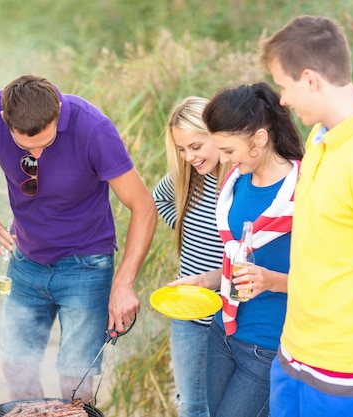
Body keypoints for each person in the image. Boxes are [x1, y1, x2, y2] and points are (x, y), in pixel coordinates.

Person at [0, 74, 157, 403]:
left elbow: (144, 207)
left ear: (58, 113)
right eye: (26, 146)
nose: (36, 154)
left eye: (45, 142)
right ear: (4, 119)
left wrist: (124, 283)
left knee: (74, 381)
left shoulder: (93, 128)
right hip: (25, 261)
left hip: (86, 266)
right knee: (16, 368)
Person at [261, 15, 353, 417]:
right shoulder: (318, 138)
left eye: (284, 85)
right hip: (293, 352)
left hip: (348, 373)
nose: (282, 99)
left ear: (311, 78)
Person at [190, 82, 303, 417]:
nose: (223, 160)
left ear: (260, 139)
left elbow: (329, 279)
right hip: (223, 334)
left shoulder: (307, 189)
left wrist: (271, 281)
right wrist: (206, 281)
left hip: (269, 345)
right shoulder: (235, 182)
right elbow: (237, 260)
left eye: (228, 150)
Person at [152, 96, 231, 417]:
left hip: (232, 315)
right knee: (191, 403)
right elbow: (160, 198)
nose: (189, 157)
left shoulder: (238, 179)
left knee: (223, 405)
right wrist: (184, 228)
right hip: (189, 312)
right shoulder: (188, 177)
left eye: (196, 146)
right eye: (182, 149)